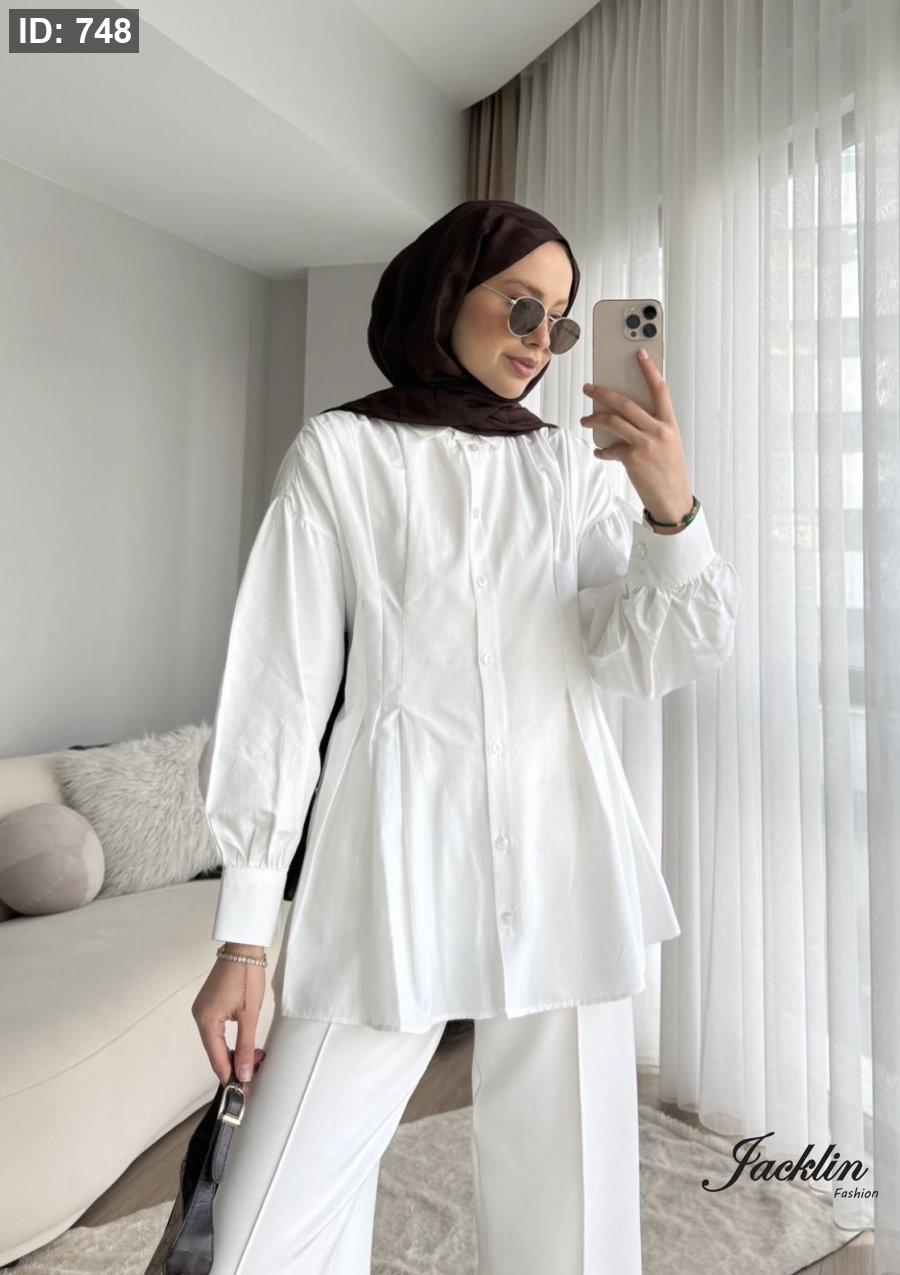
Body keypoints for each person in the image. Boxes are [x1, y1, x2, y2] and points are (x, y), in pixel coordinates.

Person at [190, 199, 741, 1273]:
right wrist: (244, 935)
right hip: (387, 866)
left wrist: (671, 512)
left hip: (564, 856)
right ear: (445, 292)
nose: (542, 342)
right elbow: (279, 692)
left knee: (571, 1228)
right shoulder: (342, 453)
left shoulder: (573, 467)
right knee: (260, 1230)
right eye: (521, 307)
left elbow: (645, 659)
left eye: (562, 324)